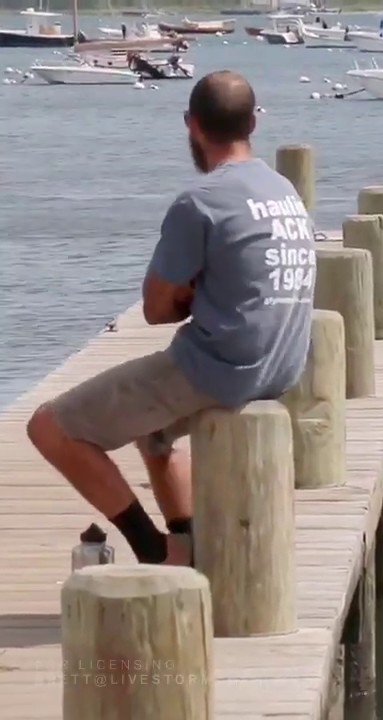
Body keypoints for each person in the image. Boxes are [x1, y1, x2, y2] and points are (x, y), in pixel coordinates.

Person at [26, 70, 317, 566]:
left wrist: (190, 297)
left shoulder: (199, 202)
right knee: (153, 433)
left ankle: (154, 550)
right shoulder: (283, 189)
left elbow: (156, 309)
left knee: (48, 427)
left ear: (192, 125)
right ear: (254, 123)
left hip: (222, 366)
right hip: (283, 365)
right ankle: (189, 540)